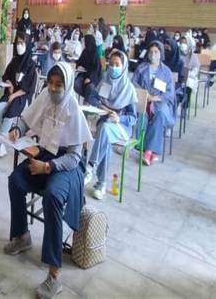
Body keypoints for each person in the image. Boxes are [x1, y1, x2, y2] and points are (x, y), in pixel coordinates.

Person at [5, 62, 92, 299]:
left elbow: (74, 157)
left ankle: (54, 274)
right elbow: (27, 118)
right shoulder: (44, 96)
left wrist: (48, 167)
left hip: (66, 166)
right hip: (46, 154)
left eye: (58, 85)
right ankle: (22, 236)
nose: (53, 88)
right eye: (50, 83)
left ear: (68, 85)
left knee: (52, 196)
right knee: (16, 180)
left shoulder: (73, 110)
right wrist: (17, 129)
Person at [84, 50, 138, 199]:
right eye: (111, 64)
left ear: (123, 66)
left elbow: (133, 118)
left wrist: (119, 118)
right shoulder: (105, 81)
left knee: (105, 131)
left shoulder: (129, 88)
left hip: (121, 127)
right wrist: (102, 107)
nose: (113, 68)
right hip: (105, 121)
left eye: (117, 65)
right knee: (105, 133)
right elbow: (93, 98)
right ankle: (101, 183)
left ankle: (91, 167)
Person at [0, 33, 37, 158]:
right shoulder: (14, 61)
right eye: (17, 43)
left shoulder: (31, 65)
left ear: (27, 45)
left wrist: (13, 95)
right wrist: (9, 83)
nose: (19, 46)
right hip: (11, 92)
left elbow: (28, 88)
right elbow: (6, 75)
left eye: (22, 43)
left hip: (22, 96)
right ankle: (2, 142)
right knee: (0, 108)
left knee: (11, 110)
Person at [132, 40, 176, 165]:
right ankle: (143, 148)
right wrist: (145, 94)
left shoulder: (166, 72)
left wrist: (158, 98)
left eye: (156, 52)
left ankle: (149, 151)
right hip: (144, 99)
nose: (153, 54)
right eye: (151, 52)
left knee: (160, 115)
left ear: (161, 53)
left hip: (160, 102)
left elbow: (170, 93)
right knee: (142, 115)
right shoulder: (141, 68)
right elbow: (133, 84)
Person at [74, 34, 101, 99]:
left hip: (93, 76)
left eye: (85, 41)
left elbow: (96, 69)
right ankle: (87, 97)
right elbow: (80, 61)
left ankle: (88, 98)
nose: (83, 43)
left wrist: (89, 78)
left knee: (89, 87)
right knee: (75, 84)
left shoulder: (95, 54)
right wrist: (76, 64)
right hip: (84, 74)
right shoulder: (85, 51)